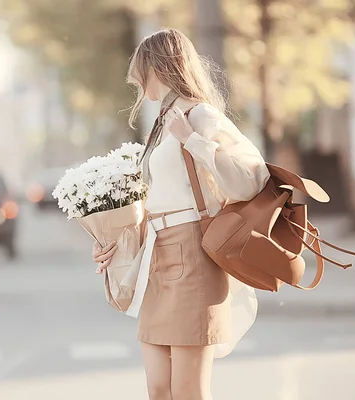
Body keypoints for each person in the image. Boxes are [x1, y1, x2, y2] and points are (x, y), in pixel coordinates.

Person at [92, 28, 270, 400]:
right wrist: (116, 243)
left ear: (158, 66)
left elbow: (252, 179)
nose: (135, 80)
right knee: (158, 389)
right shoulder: (161, 122)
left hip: (192, 255)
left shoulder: (199, 115)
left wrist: (193, 140)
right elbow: (158, 199)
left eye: (140, 70)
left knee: (188, 392)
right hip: (157, 258)